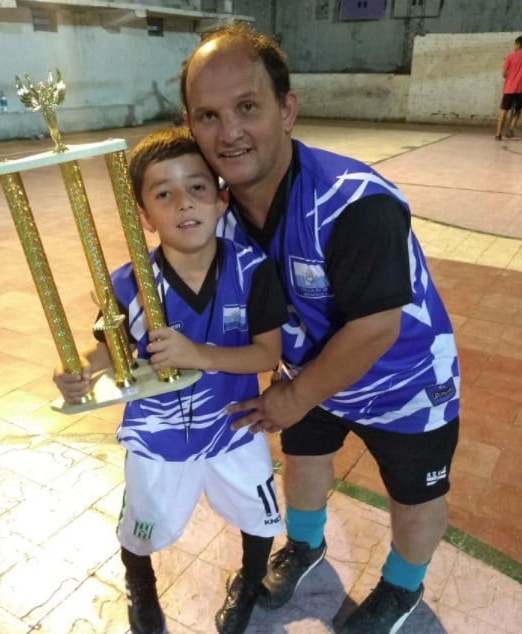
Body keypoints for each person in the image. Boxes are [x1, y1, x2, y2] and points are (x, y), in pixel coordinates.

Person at [180, 24, 460, 634]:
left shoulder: (353, 202)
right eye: (208, 115)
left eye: (247, 107)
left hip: (404, 380)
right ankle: (305, 547)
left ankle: (402, 589)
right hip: (307, 370)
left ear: (287, 110)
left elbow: (375, 329)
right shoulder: (218, 213)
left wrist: (294, 395)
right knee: (303, 459)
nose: (228, 132)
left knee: (415, 493)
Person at [53, 126, 287, 634]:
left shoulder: (252, 271)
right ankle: (141, 589)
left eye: (198, 187)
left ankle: (248, 583)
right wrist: (82, 372)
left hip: (234, 427)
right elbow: (109, 353)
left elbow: (267, 354)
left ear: (222, 199)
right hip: (156, 436)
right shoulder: (128, 282)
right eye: (164, 193)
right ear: (145, 217)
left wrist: (198, 354)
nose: (184, 203)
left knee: (261, 515)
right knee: (141, 526)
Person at [495, 35, 522, 140]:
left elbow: (504, 74)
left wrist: (510, 75)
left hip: (509, 88)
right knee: (518, 109)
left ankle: (498, 134)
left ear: (519, 44)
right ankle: (511, 128)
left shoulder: (510, 56)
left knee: (504, 110)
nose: (514, 46)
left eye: (515, 44)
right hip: (521, 89)